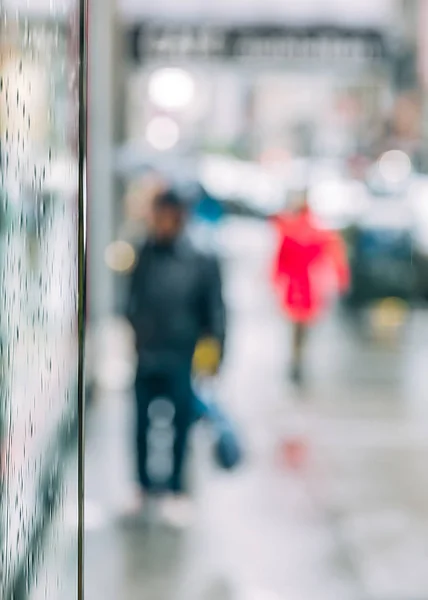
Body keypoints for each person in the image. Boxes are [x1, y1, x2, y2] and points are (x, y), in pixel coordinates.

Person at [126, 187, 226, 524]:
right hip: (146, 354)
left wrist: (213, 358)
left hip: (182, 356)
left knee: (180, 427)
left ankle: (176, 488)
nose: (162, 221)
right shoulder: (144, 252)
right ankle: (141, 486)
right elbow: (132, 298)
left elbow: (215, 311)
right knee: (140, 424)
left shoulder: (200, 258)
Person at [271, 190, 349, 383]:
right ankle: (299, 356)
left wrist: (277, 278)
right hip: (307, 284)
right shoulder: (316, 230)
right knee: (301, 325)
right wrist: (340, 278)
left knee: (298, 325)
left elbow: (280, 259)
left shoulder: (293, 229)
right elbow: (334, 254)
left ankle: (297, 356)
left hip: (300, 284)